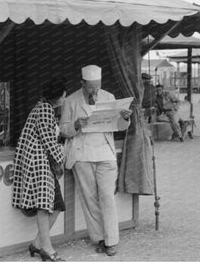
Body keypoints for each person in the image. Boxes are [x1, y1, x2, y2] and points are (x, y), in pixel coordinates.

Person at [59, 65, 132, 256]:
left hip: (105, 153)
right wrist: (75, 124)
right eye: (90, 87)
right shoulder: (71, 101)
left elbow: (119, 126)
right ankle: (100, 238)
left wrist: (125, 119)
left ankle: (112, 240)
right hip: (82, 155)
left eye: (97, 87)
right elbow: (63, 130)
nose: (94, 91)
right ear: (82, 83)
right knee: (90, 199)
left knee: (107, 197)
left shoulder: (108, 97)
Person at [12, 77, 67, 261]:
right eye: (64, 94)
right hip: (40, 163)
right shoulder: (45, 109)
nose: (65, 98)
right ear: (59, 97)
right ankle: (47, 248)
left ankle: (36, 244)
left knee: (57, 206)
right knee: (44, 207)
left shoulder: (42, 107)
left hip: (40, 162)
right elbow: (48, 140)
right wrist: (61, 159)